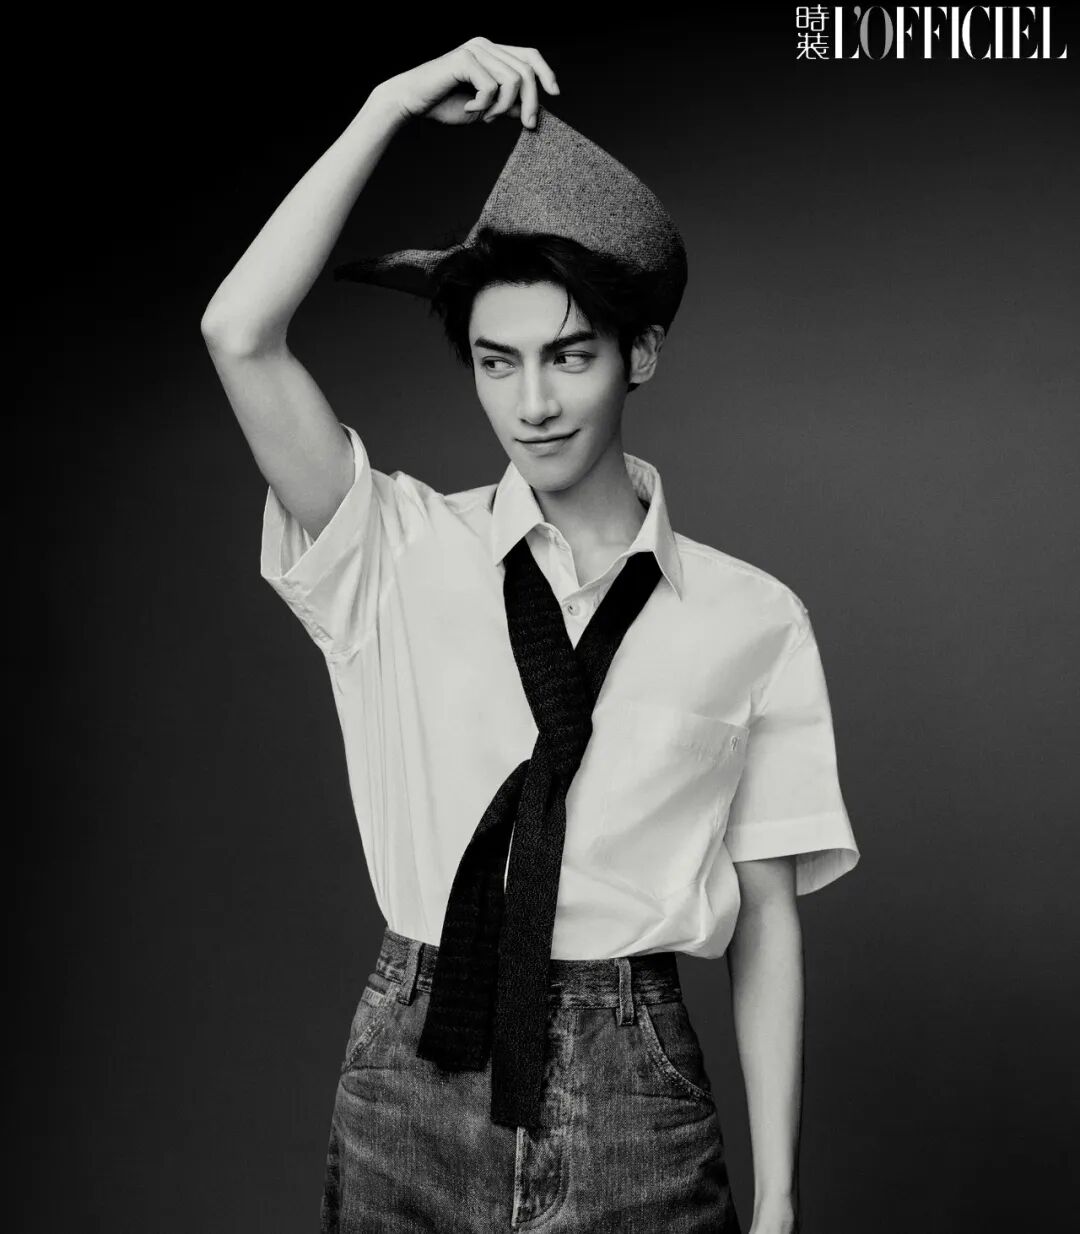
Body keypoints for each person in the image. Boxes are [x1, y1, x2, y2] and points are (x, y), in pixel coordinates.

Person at [201, 36, 859, 1234]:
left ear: (639, 353)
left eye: (569, 356)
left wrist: (779, 1202)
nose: (534, 403)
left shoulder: (755, 619)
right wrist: (388, 103)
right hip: (411, 1072)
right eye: (496, 363)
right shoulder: (389, 548)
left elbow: (769, 918)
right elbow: (239, 331)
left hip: (635, 1087)